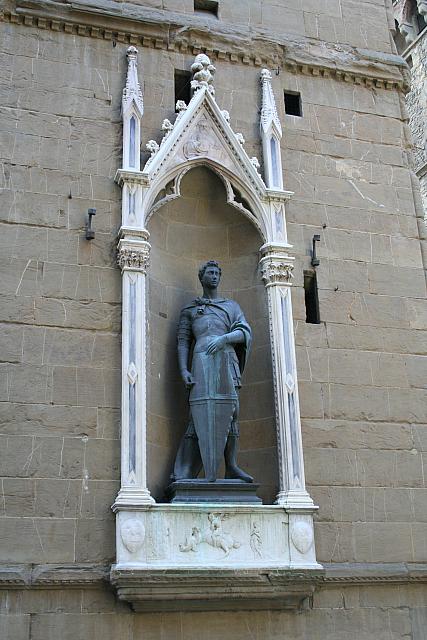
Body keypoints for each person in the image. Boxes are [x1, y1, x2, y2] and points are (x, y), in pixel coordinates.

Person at [171, 260, 253, 483]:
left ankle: (232, 465)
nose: (215, 276)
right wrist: (183, 369)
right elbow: (183, 341)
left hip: (226, 360)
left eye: (217, 272)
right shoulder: (190, 310)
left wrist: (224, 339)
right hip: (201, 362)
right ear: (202, 277)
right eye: (210, 272)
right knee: (196, 415)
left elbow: (244, 332)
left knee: (232, 411)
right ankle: (185, 470)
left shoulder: (231, 307)